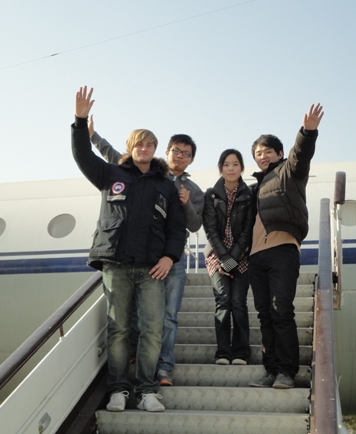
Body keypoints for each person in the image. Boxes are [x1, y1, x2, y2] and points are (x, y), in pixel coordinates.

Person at [71, 86, 186, 412]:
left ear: (155, 149)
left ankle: (148, 390)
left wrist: (169, 257)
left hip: (152, 269)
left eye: (149, 144)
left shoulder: (166, 185)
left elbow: (176, 228)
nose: (144, 148)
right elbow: (82, 156)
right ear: (130, 147)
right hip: (117, 265)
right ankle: (118, 390)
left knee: (152, 330)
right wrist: (80, 121)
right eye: (139, 144)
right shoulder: (111, 174)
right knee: (119, 330)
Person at [87, 113, 204, 387]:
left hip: (172, 258)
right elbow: (112, 153)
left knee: (167, 316)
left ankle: (163, 368)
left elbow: (194, 224)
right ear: (167, 151)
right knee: (134, 315)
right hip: (143, 256)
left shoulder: (193, 189)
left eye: (186, 154)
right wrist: (92, 135)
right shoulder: (142, 171)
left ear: (191, 160)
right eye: (176, 150)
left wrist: (186, 203)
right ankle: (133, 356)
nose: (180, 156)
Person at [248, 103, 324, 389]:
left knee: (281, 310)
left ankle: (287, 372)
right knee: (265, 315)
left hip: (282, 250)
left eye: (268, 151)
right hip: (255, 256)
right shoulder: (255, 187)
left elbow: (300, 155)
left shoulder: (289, 173)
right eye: (258, 153)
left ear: (279, 154)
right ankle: (271, 369)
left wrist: (307, 132)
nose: (263, 156)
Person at [202, 149, 254, 366]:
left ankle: (241, 352)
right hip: (217, 255)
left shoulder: (249, 196)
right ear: (220, 168)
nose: (231, 168)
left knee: (238, 302)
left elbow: (248, 230)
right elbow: (210, 229)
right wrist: (225, 258)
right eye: (226, 164)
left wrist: (234, 258)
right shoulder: (211, 195)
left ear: (242, 167)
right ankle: (223, 352)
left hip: (242, 255)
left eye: (235, 164)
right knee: (223, 301)